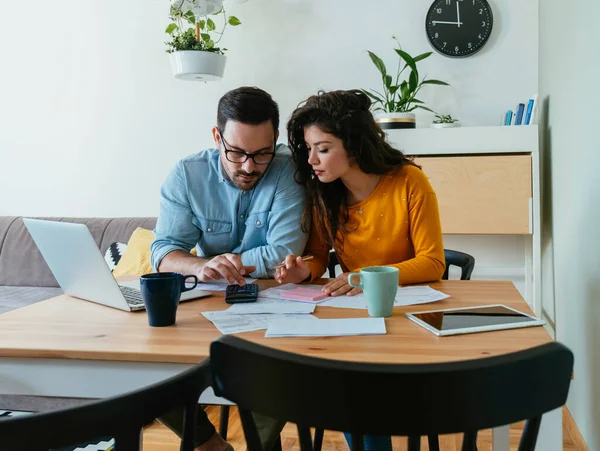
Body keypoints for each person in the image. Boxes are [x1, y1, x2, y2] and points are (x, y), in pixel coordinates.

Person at [275, 89, 446, 451]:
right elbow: (319, 255)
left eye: (322, 148)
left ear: (352, 146)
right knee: (339, 386)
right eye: (308, 149)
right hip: (360, 320)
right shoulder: (325, 193)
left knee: (355, 392)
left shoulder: (409, 182)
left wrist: (362, 276)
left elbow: (433, 262)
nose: (312, 160)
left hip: (409, 317)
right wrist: (301, 271)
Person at [152, 86, 308, 451]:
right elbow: (163, 251)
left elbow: (286, 250)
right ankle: (209, 445)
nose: (249, 166)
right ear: (216, 136)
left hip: (275, 309)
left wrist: (233, 264)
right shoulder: (187, 175)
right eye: (236, 152)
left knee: (281, 372)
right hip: (208, 311)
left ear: (275, 141)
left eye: (261, 154)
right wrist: (204, 264)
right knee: (148, 371)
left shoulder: (289, 172)